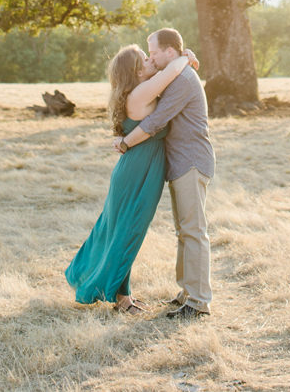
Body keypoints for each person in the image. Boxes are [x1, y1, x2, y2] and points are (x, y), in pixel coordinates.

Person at [65, 43, 197, 312]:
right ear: (136, 72)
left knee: (123, 231)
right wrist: (186, 56)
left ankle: (122, 295)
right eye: (144, 58)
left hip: (140, 169)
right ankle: (121, 300)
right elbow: (172, 69)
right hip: (138, 173)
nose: (150, 59)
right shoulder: (140, 92)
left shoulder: (137, 91)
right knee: (128, 232)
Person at [112, 27, 215, 318]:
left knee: (194, 231)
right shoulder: (175, 71)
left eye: (154, 52)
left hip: (191, 162)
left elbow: (156, 120)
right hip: (180, 163)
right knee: (185, 231)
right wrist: (185, 57)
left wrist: (125, 143)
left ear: (170, 52)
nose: (151, 57)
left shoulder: (182, 79)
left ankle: (198, 303)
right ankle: (187, 293)